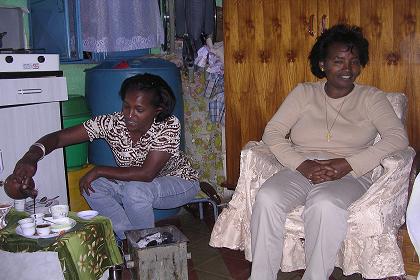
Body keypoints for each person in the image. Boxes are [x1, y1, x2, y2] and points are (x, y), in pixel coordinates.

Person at [249, 24, 409, 279]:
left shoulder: (372, 98)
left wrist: (348, 164)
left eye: (354, 61)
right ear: (322, 64)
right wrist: (303, 165)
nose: (347, 68)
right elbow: (273, 133)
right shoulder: (303, 93)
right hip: (301, 166)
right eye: (338, 61)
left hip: (351, 174)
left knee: (324, 203)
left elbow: (398, 138)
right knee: (268, 197)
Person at [4, 73, 200, 240]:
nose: (129, 115)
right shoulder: (112, 123)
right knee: (93, 187)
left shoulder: (168, 124)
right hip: (134, 182)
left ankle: (147, 246)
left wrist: (98, 170)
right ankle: (131, 239)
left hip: (179, 182)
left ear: (157, 110)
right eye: (126, 106)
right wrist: (29, 158)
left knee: (134, 190)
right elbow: (58, 138)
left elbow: (147, 174)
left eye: (139, 109)